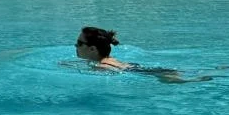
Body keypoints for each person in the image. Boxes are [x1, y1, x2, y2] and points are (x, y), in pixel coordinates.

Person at [74, 26, 211, 83]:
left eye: (79, 43)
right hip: (139, 68)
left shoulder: (102, 67)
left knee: (169, 79)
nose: (76, 46)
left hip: (142, 72)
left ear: (92, 49)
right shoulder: (108, 60)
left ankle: (193, 80)